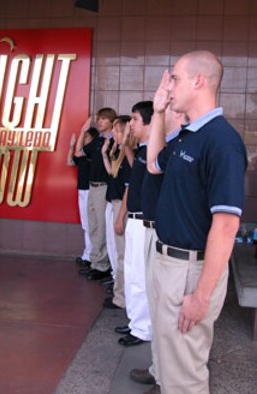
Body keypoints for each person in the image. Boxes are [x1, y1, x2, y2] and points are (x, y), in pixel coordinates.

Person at [147, 51, 247, 393]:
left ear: (198, 81)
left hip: (189, 273)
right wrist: (159, 113)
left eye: (174, 78)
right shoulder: (187, 134)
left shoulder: (222, 142)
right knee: (168, 360)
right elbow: (153, 165)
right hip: (165, 262)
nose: (168, 86)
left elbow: (226, 226)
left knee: (185, 376)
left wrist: (201, 295)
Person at [130, 94, 185, 393]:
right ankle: (157, 369)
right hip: (150, 230)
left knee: (167, 314)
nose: (169, 112)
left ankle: (167, 379)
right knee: (155, 306)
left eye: (171, 109)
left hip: (165, 234)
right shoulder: (162, 148)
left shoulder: (179, 147)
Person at [115, 101, 153, 347]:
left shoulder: (155, 152)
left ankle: (142, 329)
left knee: (139, 276)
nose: (130, 124)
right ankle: (135, 322)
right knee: (131, 273)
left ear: (149, 122)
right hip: (135, 220)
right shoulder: (141, 150)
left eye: (135, 119)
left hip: (146, 223)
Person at [74, 108, 117, 281]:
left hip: (104, 187)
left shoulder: (114, 141)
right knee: (92, 225)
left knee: (101, 227)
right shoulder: (98, 140)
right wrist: (82, 131)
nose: (99, 121)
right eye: (98, 119)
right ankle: (95, 262)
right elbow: (78, 153)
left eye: (103, 119)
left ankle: (102, 265)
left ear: (111, 122)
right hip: (91, 187)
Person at [101, 115, 134, 309]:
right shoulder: (120, 152)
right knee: (117, 252)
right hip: (114, 203)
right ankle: (119, 292)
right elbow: (112, 173)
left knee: (122, 254)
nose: (113, 133)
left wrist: (121, 216)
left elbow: (129, 187)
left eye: (116, 130)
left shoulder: (130, 154)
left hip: (122, 206)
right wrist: (108, 154)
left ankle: (121, 297)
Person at [67, 125, 99, 267]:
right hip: (82, 190)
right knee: (86, 225)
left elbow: (80, 152)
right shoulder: (84, 155)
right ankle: (88, 253)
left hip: (90, 191)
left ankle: (90, 256)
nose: (84, 139)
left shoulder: (92, 153)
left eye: (86, 136)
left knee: (90, 225)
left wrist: (81, 133)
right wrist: (71, 146)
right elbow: (70, 161)